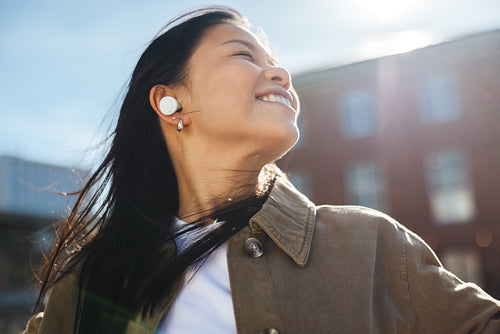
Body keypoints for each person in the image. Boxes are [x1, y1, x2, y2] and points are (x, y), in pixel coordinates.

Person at [24, 6, 500, 334]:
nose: (280, 74)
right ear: (170, 102)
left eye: (276, 63)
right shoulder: (91, 281)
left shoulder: (371, 245)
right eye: (243, 55)